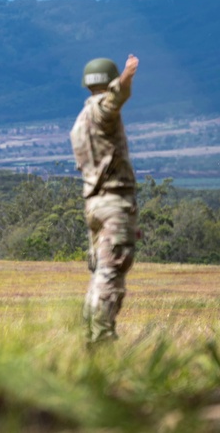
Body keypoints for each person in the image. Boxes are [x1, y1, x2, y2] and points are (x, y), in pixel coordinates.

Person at [70, 54, 140, 346]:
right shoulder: (101, 110)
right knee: (111, 275)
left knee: (101, 272)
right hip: (113, 202)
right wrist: (128, 74)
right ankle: (100, 340)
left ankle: (90, 333)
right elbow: (115, 98)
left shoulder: (79, 122)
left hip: (95, 204)